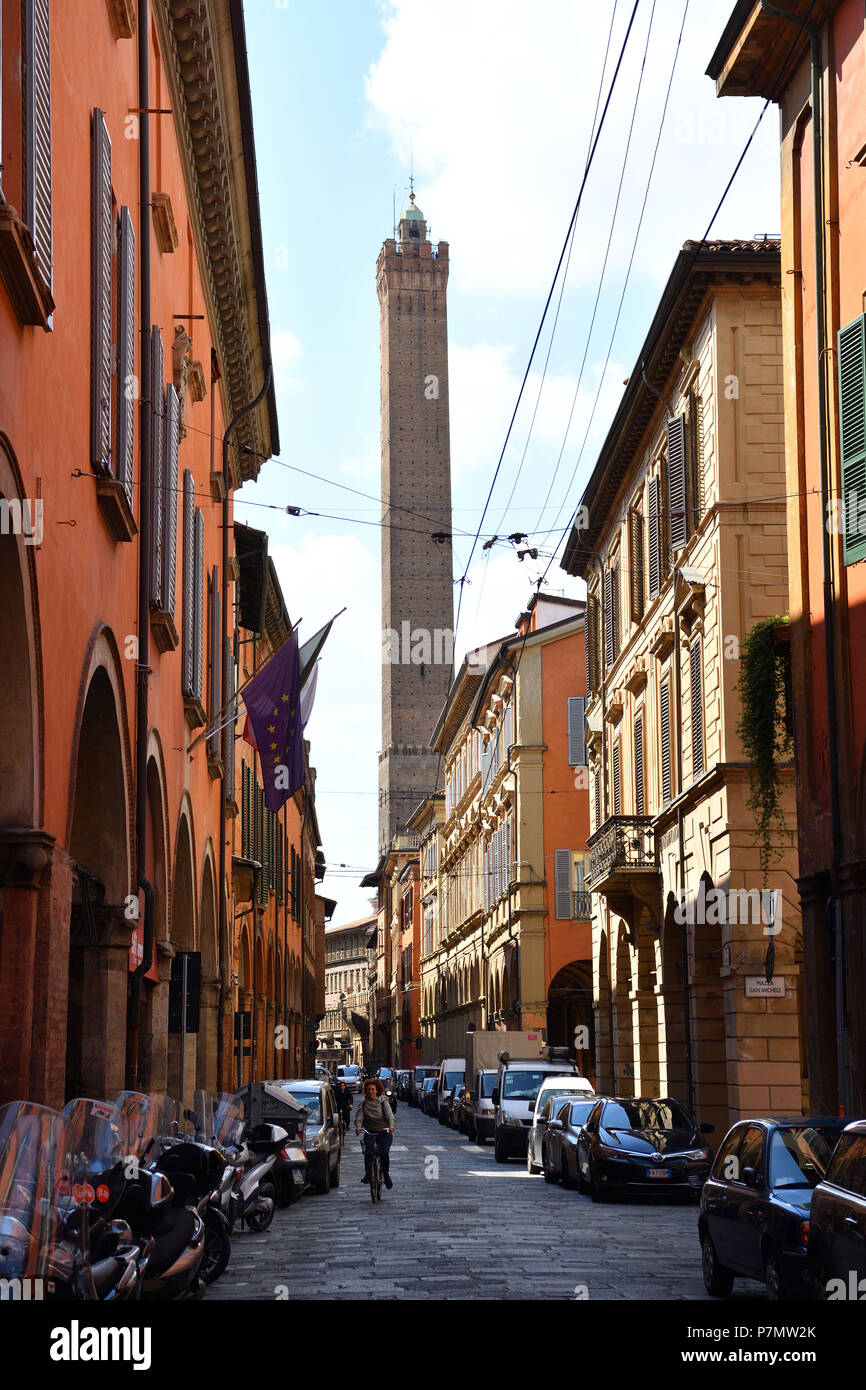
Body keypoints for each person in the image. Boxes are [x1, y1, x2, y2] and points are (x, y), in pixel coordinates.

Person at [354, 1078, 395, 1189]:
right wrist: (358, 1127)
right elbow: (359, 1117)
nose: (370, 1091)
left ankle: (386, 1175)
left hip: (384, 1131)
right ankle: (368, 1174)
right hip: (370, 1131)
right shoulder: (363, 1104)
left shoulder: (383, 1101)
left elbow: (389, 1114)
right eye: (368, 1089)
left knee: (384, 1153)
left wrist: (391, 1125)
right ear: (366, 1091)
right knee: (368, 1151)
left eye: (373, 1089)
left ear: (377, 1090)